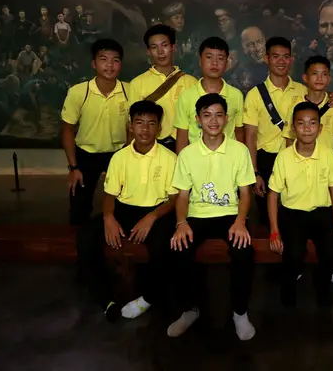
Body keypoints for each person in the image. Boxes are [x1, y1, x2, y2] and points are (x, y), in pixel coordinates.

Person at [75, 100, 177, 322]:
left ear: (159, 128)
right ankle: (105, 299)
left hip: (156, 211)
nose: (144, 129)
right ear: (130, 126)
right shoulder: (119, 157)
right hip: (124, 209)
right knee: (86, 238)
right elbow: (110, 194)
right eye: (139, 123)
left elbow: (174, 199)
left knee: (164, 246)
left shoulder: (170, 158)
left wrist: (151, 217)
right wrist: (109, 217)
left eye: (151, 124)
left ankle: (149, 297)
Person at [168, 93, 256, 341]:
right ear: (198, 120)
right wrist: (181, 223)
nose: (213, 121)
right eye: (207, 115)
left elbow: (245, 193)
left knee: (244, 251)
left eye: (219, 115)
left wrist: (240, 222)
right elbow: (182, 196)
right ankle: (189, 309)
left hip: (230, 214)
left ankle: (240, 312)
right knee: (178, 248)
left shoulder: (239, 151)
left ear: (226, 119)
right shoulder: (187, 154)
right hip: (197, 215)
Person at [267, 102, 333, 308]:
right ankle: (288, 286)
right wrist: (274, 230)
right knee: (293, 254)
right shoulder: (283, 157)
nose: (307, 128)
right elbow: (273, 194)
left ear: (320, 128)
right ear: (293, 127)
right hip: (292, 214)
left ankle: (322, 284)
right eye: (301, 123)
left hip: (322, 212)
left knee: (332, 252)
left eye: (312, 123)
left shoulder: (328, 154)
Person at [61, 39, 129, 226]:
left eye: (115, 60)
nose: (109, 65)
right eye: (103, 59)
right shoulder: (78, 92)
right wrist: (73, 168)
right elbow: (67, 130)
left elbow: (133, 129)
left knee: (125, 204)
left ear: (120, 64)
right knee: (79, 208)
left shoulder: (129, 91)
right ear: (94, 63)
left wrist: (130, 159)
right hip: (85, 154)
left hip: (118, 154)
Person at [243, 37, 307, 226]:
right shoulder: (255, 94)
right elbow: (251, 136)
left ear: (292, 59)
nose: (281, 61)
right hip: (266, 159)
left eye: (286, 57)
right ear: (266, 58)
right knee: (266, 217)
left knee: (295, 212)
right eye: (276, 56)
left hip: (297, 157)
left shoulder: (303, 91)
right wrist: (255, 172)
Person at [129, 24, 198, 152]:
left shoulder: (191, 82)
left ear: (173, 48)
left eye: (165, 45)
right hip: (151, 148)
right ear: (148, 52)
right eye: (154, 47)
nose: (160, 52)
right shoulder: (137, 83)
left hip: (186, 147)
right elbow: (133, 124)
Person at [174, 36, 244, 153]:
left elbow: (239, 133)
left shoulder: (236, 95)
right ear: (200, 61)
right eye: (209, 57)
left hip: (228, 160)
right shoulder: (186, 96)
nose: (215, 63)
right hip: (196, 161)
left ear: (226, 63)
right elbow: (182, 137)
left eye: (220, 58)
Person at [283, 55, 333, 162]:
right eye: (314, 74)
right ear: (305, 78)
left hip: (327, 166)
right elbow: (289, 139)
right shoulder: (296, 105)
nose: (319, 78)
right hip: (300, 164)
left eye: (324, 74)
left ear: (329, 79)